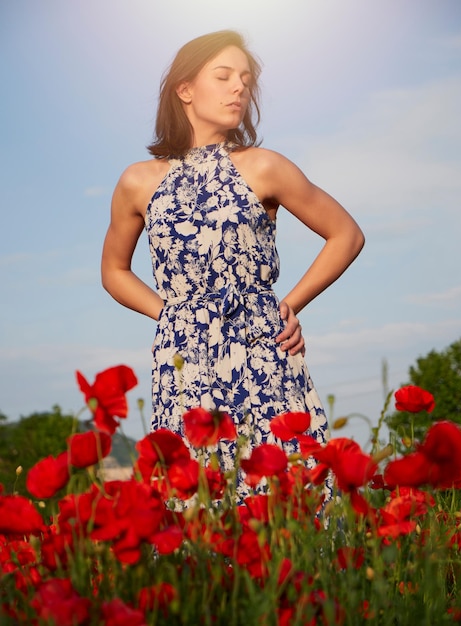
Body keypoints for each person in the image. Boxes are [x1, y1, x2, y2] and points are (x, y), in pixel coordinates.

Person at [101, 30, 364, 500]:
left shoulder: (264, 166)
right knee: (197, 503)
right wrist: (169, 314)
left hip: (261, 350)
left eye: (245, 79)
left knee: (278, 496)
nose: (239, 87)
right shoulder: (137, 182)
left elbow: (346, 233)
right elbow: (114, 271)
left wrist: (288, 306)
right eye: (223, 76)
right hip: (183, 359)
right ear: (185, 89)